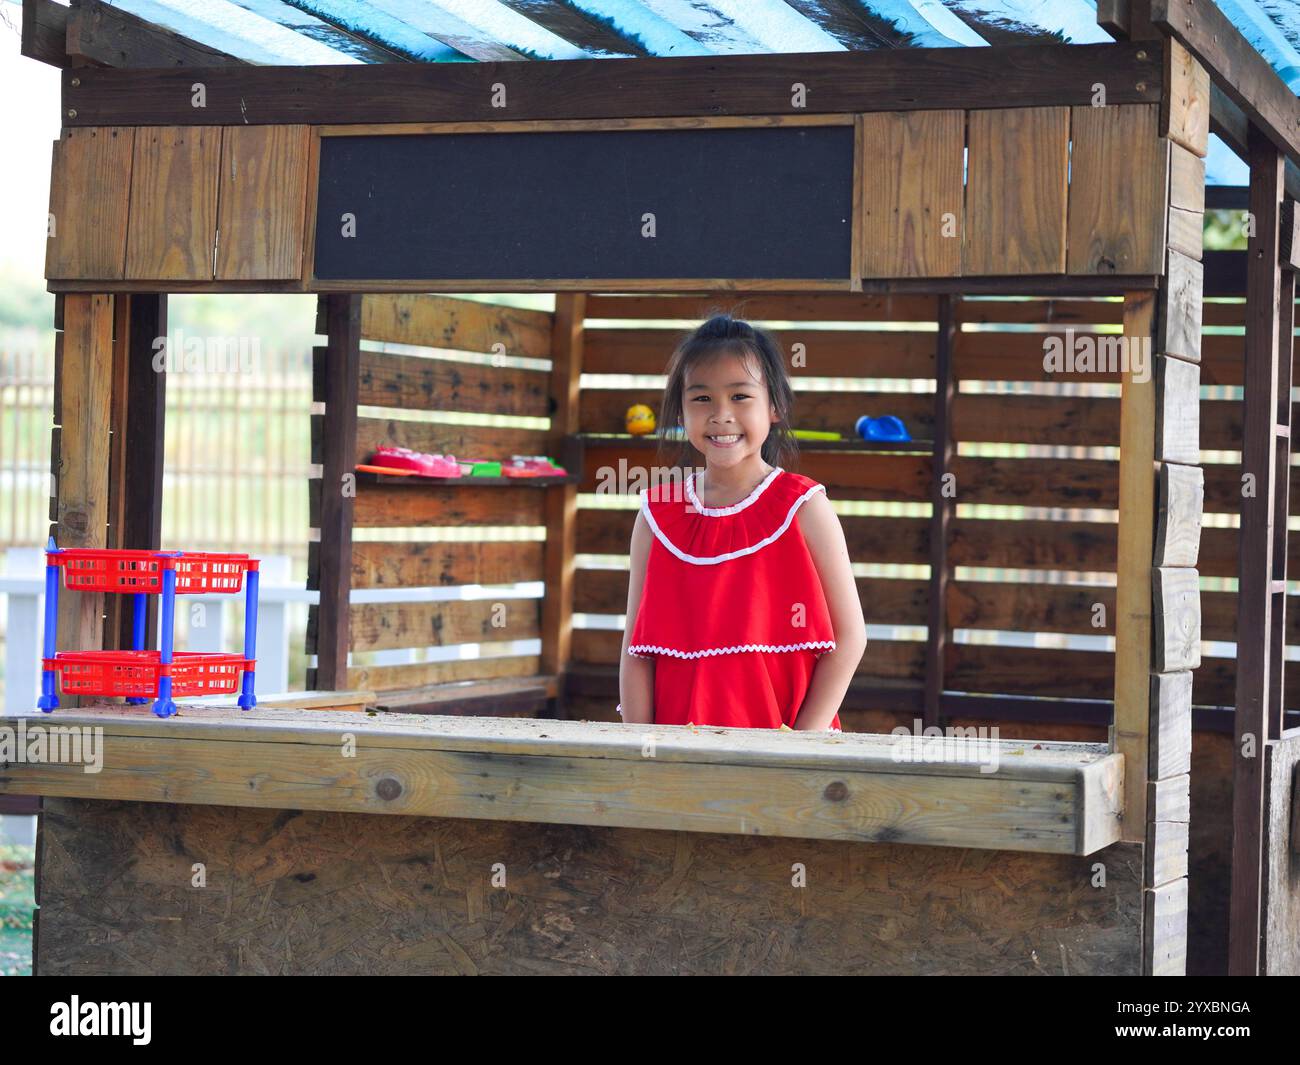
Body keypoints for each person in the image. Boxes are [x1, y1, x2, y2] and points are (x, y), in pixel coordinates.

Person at [617, 313, 867, 730]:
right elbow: (636, 649)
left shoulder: (805, 506)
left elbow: (850, 639)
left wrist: (799, 747)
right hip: (675, 760)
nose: (720, 414)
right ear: (680, 412)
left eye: (740, 396)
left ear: (775, 407)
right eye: (701, 399)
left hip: (782, 757)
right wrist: (640, 751)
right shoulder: (656, 515)